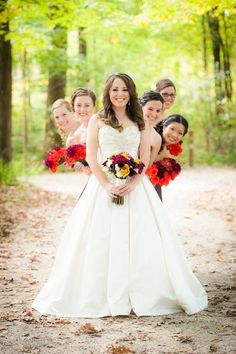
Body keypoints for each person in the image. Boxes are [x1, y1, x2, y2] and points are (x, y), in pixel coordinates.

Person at [32, 73, 207, 318]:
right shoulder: (98, 119)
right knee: (97, 239)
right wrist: (105, 184)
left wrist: (135, 182)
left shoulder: (139, 120)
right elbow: (92, 156)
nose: (119, 94)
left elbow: (145, 156)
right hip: (103, 185)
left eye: (124, 89)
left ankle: (145, 292)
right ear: (108, 92)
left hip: (135, 186)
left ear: (131, 92)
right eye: (115, 89)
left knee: (142, 238)